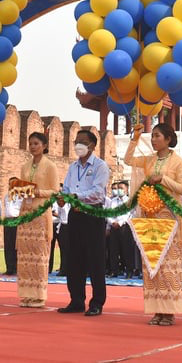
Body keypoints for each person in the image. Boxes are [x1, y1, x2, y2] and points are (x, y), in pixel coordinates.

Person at [124, 123, 182, 326]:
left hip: (169, 220)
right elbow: (128, 160)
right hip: (150, 220)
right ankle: (156, 309)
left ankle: (169, 311)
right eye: (152, 136)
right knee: (152, 265)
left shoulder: (177, 162)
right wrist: (135, 138)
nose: (153, 140)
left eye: (157, 136)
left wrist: (163, 179)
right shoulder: (149, 160)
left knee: (169, 266)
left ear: (168, 139)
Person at [57, 129, 110, 317]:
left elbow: (98, 193)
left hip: (93, 214)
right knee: (74, 259)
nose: (78, 145)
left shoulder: (100, 166)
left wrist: (75, 196)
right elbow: (68, 188)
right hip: (75, 215)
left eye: (82, 141)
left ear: (92, 145)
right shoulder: (73, 167)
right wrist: (63, 198)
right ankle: (76, 300)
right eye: (76, 141)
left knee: (95, 260)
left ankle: (96, 302)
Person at [16, 132, 58, 307]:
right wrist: (18, 190)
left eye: (36, 143)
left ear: (44, 146)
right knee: (25, 255)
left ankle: (39, 295)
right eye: (30, 143)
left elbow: (55, 191)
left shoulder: (50, 166)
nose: (33, 146)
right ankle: (26, 293)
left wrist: (39, 192)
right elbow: (21, 187)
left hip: (40, 213)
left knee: (39, 255)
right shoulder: (25, 166)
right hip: (25, 213)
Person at [106, 180, 133, 278]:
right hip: (113, 227)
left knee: (126, 249)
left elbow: (128, 214)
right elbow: (108, 213)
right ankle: (114, 271)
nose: (119, 190)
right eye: (118, 188)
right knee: (113, 249)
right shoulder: (113, 201)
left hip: (124, 227)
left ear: (126, 190)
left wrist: (120, 223)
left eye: (121, 188)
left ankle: (129, 270)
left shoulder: (129, 201)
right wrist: (111, 222)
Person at [3, 176, 22, 276]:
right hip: (7, 221)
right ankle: (9, 268)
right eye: (9, 183)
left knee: (16, 245)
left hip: (17, 220)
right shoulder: (6, 196)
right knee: (8, 245)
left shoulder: (21, 196)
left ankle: (16, 268)